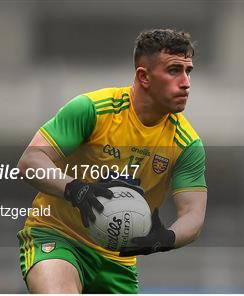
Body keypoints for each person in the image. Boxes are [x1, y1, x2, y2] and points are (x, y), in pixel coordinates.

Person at [16, 28, 207, 293]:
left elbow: (193, 214)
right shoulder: (92, 110)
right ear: (144, 77)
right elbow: (31, 161)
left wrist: (166, 238)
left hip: (117, 261)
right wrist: (76, 189)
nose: (186, 82)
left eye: (188, 71)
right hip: (58, 237)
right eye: (174, 70)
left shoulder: (186, 144)